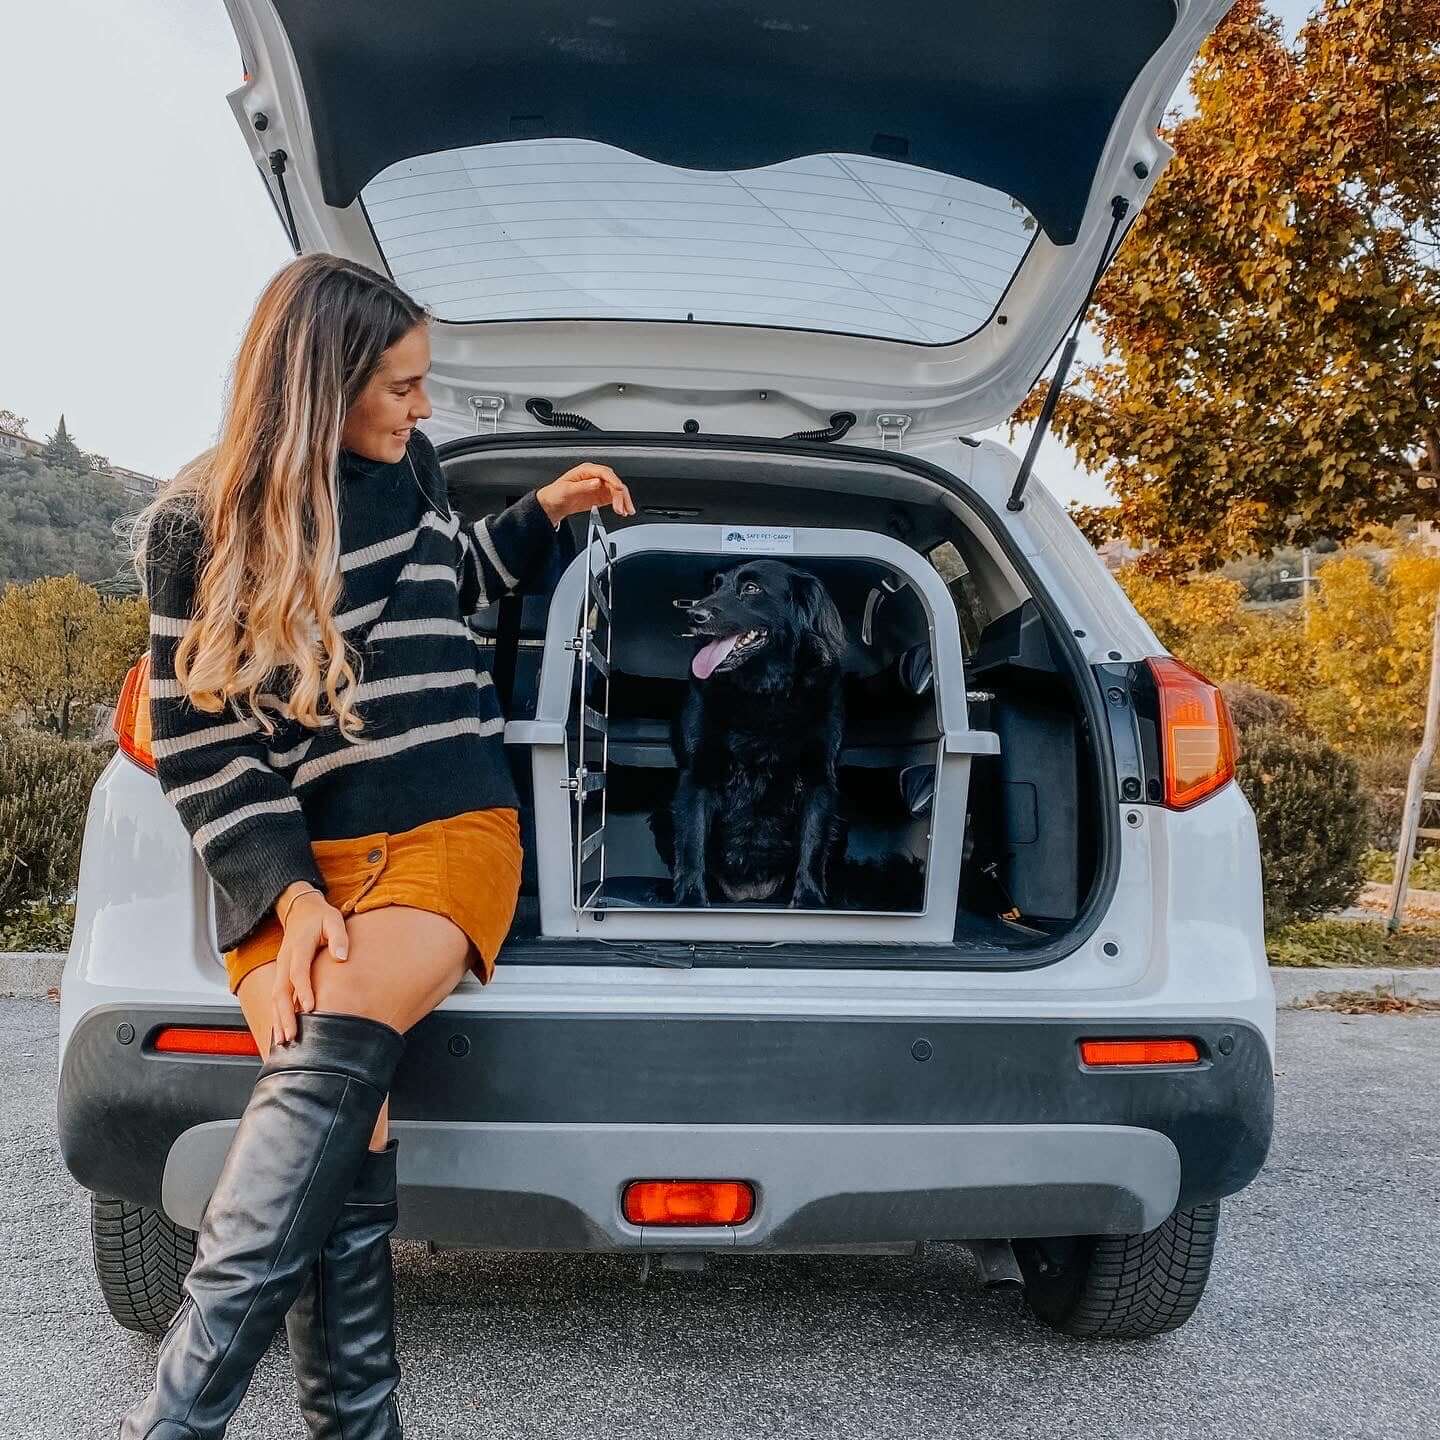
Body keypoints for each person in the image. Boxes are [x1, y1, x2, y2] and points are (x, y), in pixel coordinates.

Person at [120, 252, 634, 1439]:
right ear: (322, 384)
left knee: (325, 1060)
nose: (424, 406)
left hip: (450, 827)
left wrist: (542, 515)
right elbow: (199, 744)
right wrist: (288, 895)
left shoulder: (418, 471)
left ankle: (174, 1423)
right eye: (402, 386)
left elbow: (447, 586)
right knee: (347, 1138)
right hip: (295, 859)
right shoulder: (200, 526)